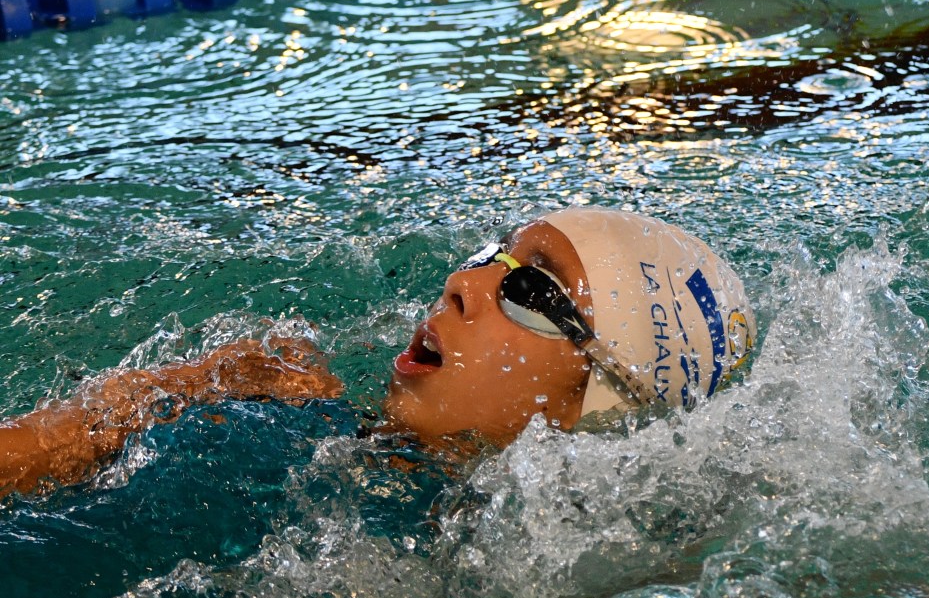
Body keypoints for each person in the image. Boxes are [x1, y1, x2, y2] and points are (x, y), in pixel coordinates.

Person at [0, 207, 756, 498]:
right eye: (492, 255)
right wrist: (166, 394)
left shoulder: (498, 594)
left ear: (596, 406)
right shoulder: (278, 413)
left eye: (531, 292)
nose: (464, 284)